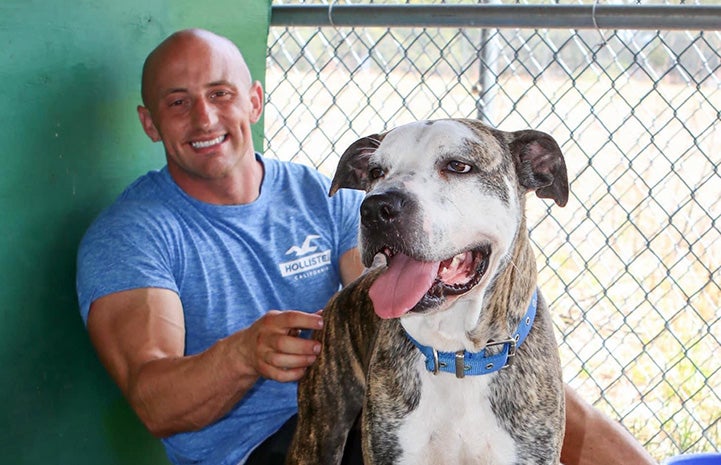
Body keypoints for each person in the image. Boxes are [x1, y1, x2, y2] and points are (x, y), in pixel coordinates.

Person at [76, 28, 657, 465]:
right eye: (177, 102)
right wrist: (244, 353)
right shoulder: (132, 234)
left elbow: (388, 309)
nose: (204, 115)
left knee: (519, 373)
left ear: (253, 101)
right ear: (150, 123)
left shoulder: (313, 194)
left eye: (220, 93)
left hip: (370, 402)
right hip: (261, 446)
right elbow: (154, 401)